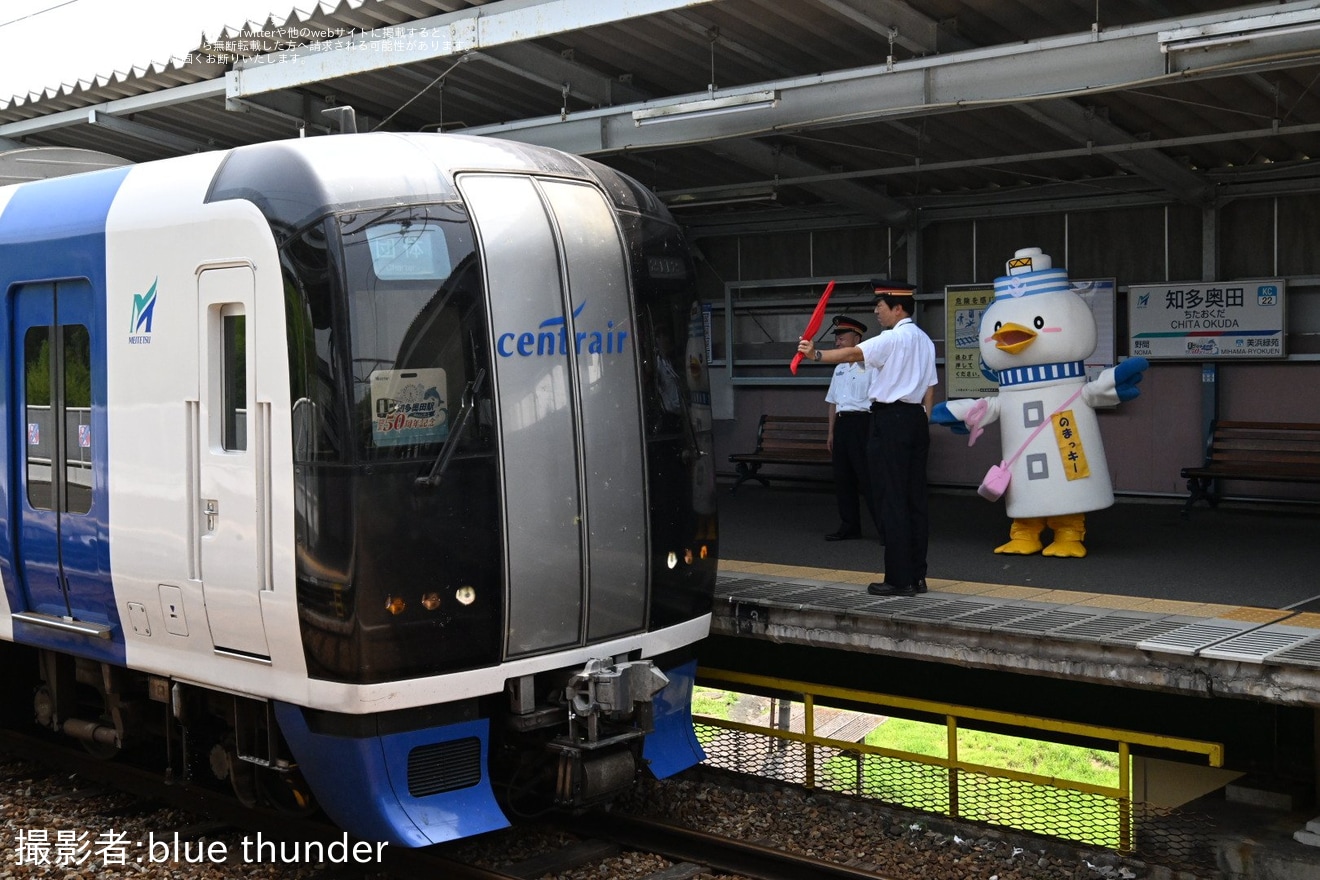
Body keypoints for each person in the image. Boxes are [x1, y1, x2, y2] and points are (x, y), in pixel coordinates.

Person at [797, 281, 937, 596]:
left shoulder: (891, 338)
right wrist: (922, 419)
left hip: (889, 420)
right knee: (916, 500)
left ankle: (898, 579)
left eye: (880, 305)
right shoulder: (925, 341)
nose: (876, 311)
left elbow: (852, 352)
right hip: (915, 420)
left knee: (891, 499)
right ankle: (917, 576)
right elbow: (931, 387)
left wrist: (815, 353)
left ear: (897, 308)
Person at [822, 315, 880, 542]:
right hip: (843, 424)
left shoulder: (870, 365)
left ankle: (885, 528)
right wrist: (831, 432)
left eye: (842, 338)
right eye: (836, 339)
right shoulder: (839, 369)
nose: (837, 343)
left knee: (868, 479)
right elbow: (833, 402)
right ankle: (849, 525)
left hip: (863, 423)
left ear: (857, 338)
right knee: (843, 477)